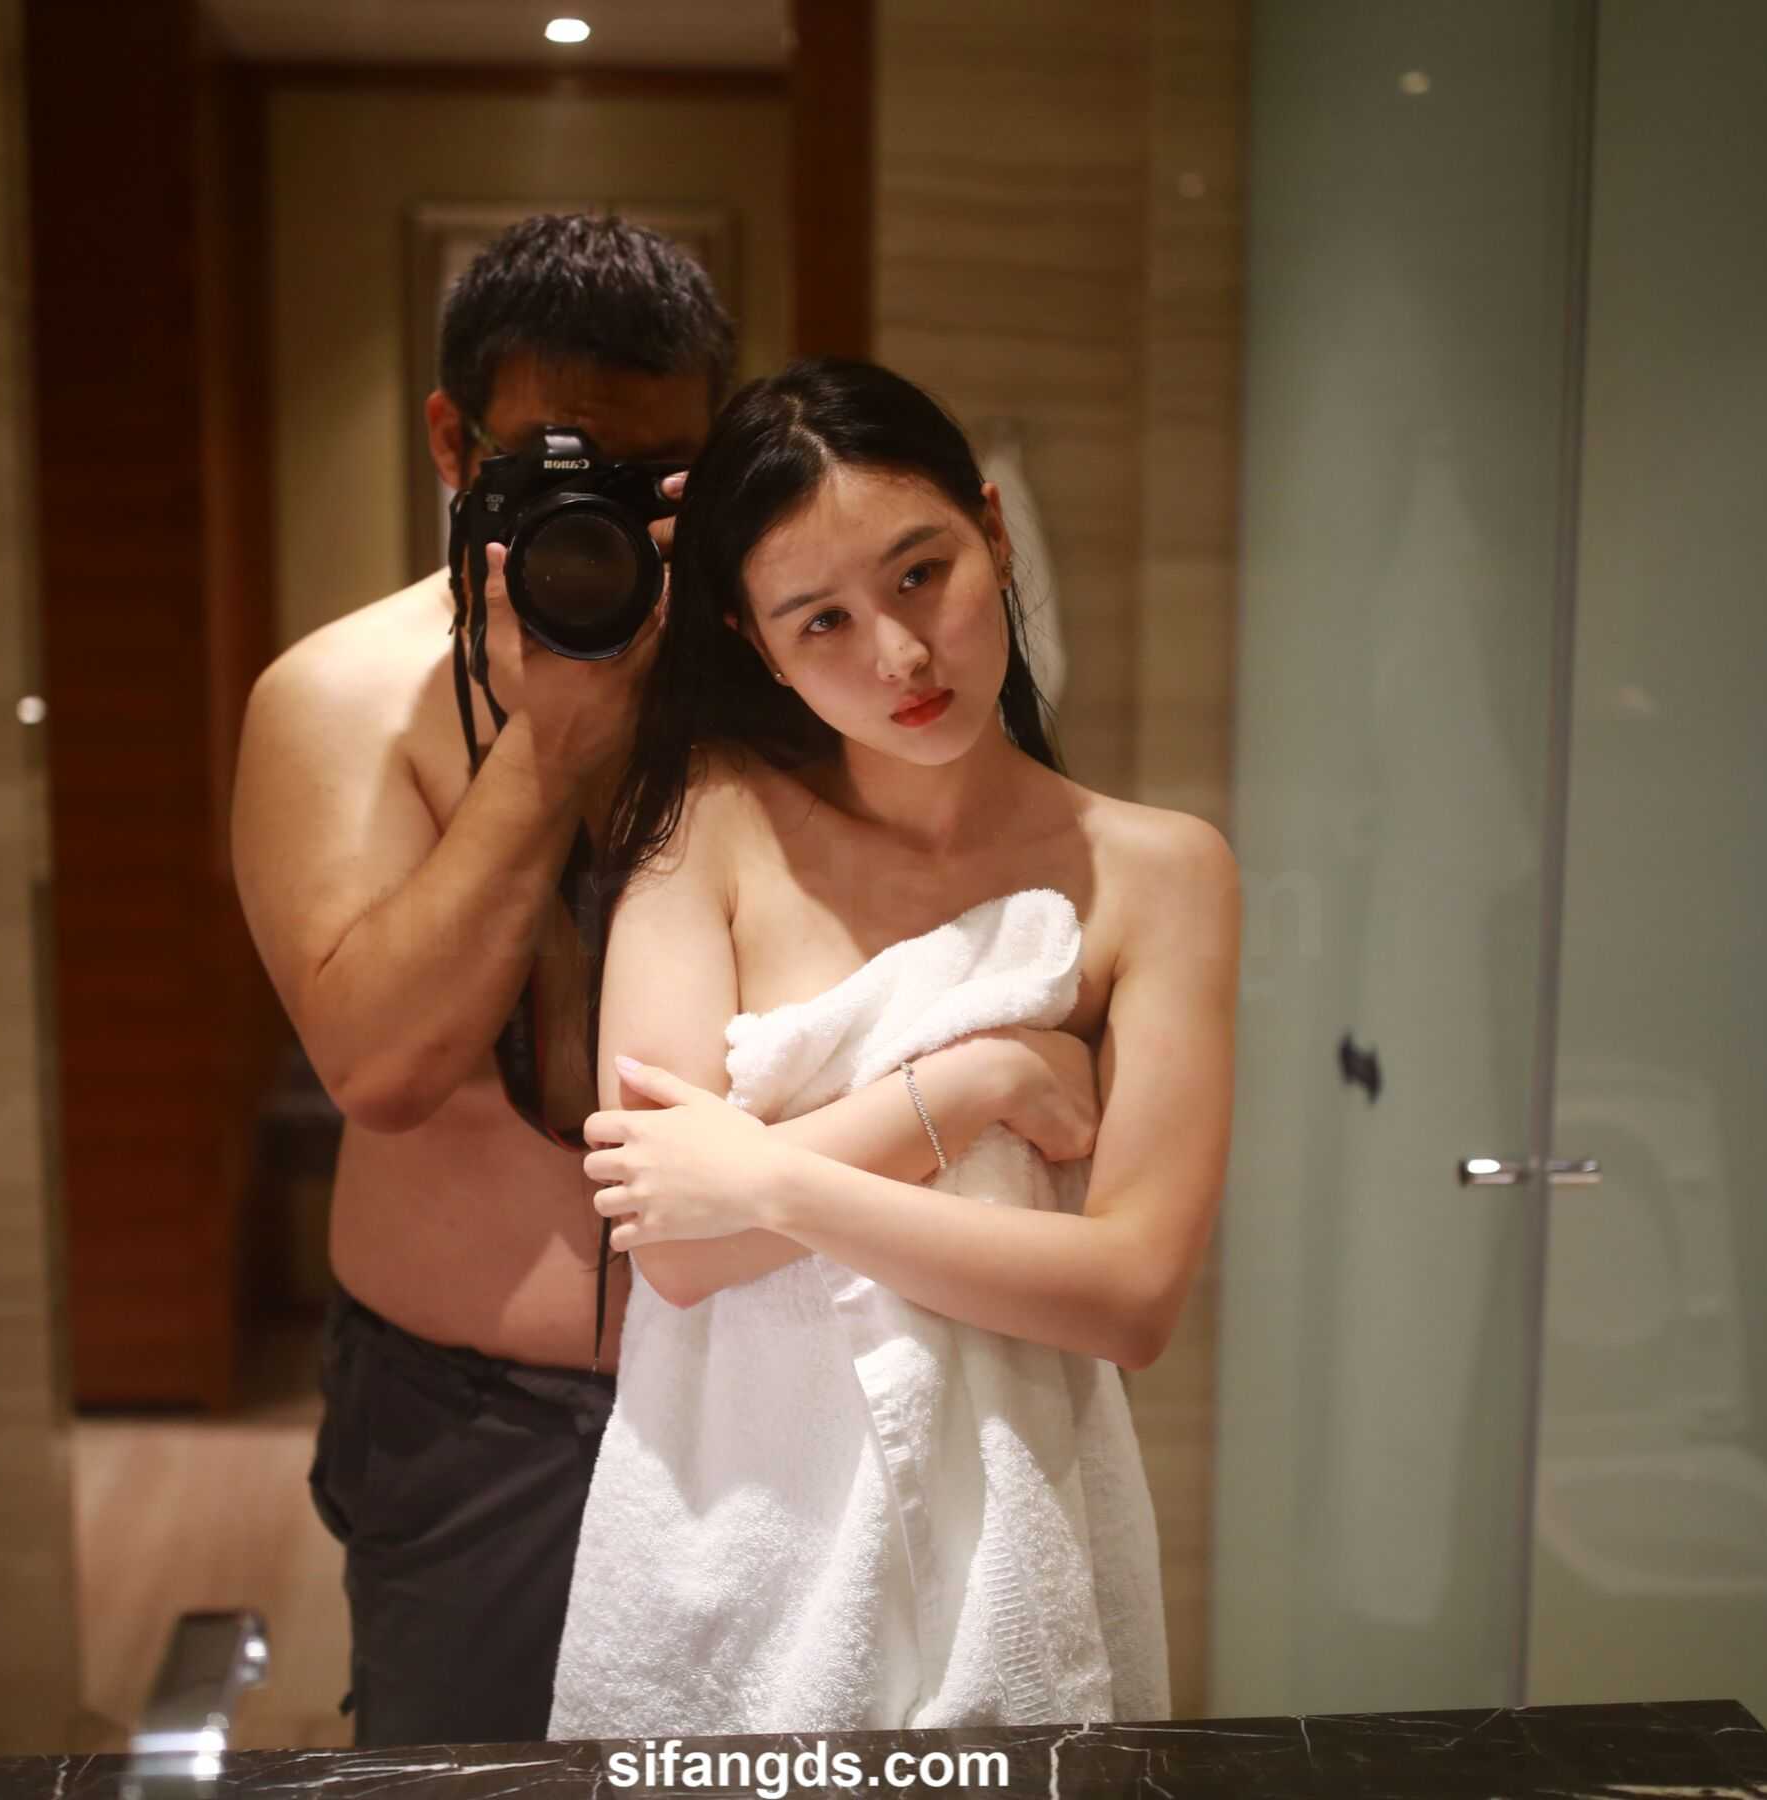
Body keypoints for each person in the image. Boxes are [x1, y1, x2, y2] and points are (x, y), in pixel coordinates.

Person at [547, 358, 1240, 1735]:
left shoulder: (1161, 874)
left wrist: (766, 1180)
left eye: (923, 574)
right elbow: (675, 1250)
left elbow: (1131, 1295)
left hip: (1016, 1537)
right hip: (736, 1523)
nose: (901, 657)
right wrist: (969, 1087)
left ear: (994, 528)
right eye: (822, 621)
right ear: (753, 642)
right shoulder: (705, 830)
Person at [226, 213, 721, 1747]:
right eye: (567, 465)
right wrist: (549, 750)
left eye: (662, 476)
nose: (612, 515)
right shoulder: (338, 700)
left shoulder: (774, 674)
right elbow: (379, 1068)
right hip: (470, 1419)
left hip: (753, 1385)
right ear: (454, 444)